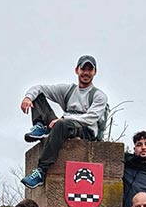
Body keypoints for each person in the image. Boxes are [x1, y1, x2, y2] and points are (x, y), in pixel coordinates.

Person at [20, 55, 108, 189]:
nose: (86, 73)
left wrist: (65, 119)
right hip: (64, 124)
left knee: (61, 124)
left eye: (90, 70)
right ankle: (40, 126)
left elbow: (91, 118)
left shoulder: (98, 95)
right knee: (38, 96)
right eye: (83, 69)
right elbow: (39, 88)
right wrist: (28, 97)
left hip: (85, 129)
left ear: (95, 72)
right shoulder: (69, 90)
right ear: (77, 70)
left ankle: (41, 171)